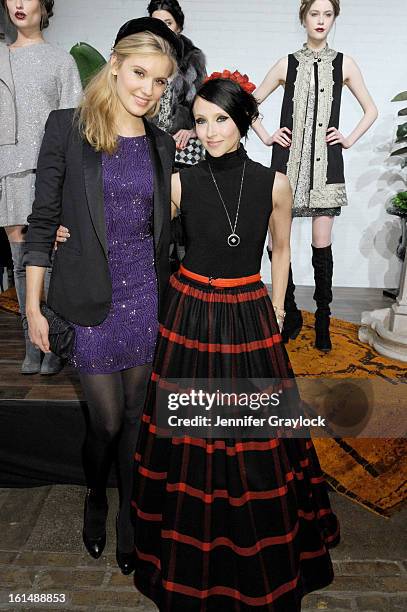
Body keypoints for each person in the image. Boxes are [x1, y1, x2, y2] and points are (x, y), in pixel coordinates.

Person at [131, 73, 340, 611]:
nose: (211, 130)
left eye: (221, 119)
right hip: (191, 311)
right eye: (201, 120)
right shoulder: (181, 181)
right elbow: (141, 231)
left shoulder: (274, 182)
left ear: (244, 120)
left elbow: (282, 250)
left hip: (248, 311)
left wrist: (277, 304)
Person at [24, 17, 180, 575]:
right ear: (114, 64)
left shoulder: (162, 143)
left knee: (137, 417)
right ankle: (96, 492)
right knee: (107, 421)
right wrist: (33, 307)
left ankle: (129, 519)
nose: (148, 89)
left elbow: (164, 228)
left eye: (160, 81)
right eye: (140, 73)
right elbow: (42, 221)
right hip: (89, 298)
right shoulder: (67, 126)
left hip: (145, 296)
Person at [252, 0, 378, 351]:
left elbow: (371, 109)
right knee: (282, 243)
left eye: (328, 15)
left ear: (334, 18)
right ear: (303, 17)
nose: (321, 21)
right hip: (287, 167)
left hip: (325, 167)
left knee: (321, 245)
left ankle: (322, 318)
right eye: (314, 14)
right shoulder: (286, 63)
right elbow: (248, 103)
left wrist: (348, 138)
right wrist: (266, 134)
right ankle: (289, 312)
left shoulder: (345, 63)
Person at [0, 0, 82, 374]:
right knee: (19, 263)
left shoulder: (61, 60)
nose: (19, 3)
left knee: (46, 257)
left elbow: (74, 126)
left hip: (48, 172)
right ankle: (32, 344)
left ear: (44, 6)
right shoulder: (1, 58)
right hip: (7, 171)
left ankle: (54, 342)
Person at [147, 0, 207, 168]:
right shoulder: (142, 57)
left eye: (168, 23)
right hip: (146, 144)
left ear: (178, 27)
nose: (163, 30)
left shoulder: (193, 59)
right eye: (157, 24)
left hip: (181, 150)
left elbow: (205, 104)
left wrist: (193, 130)